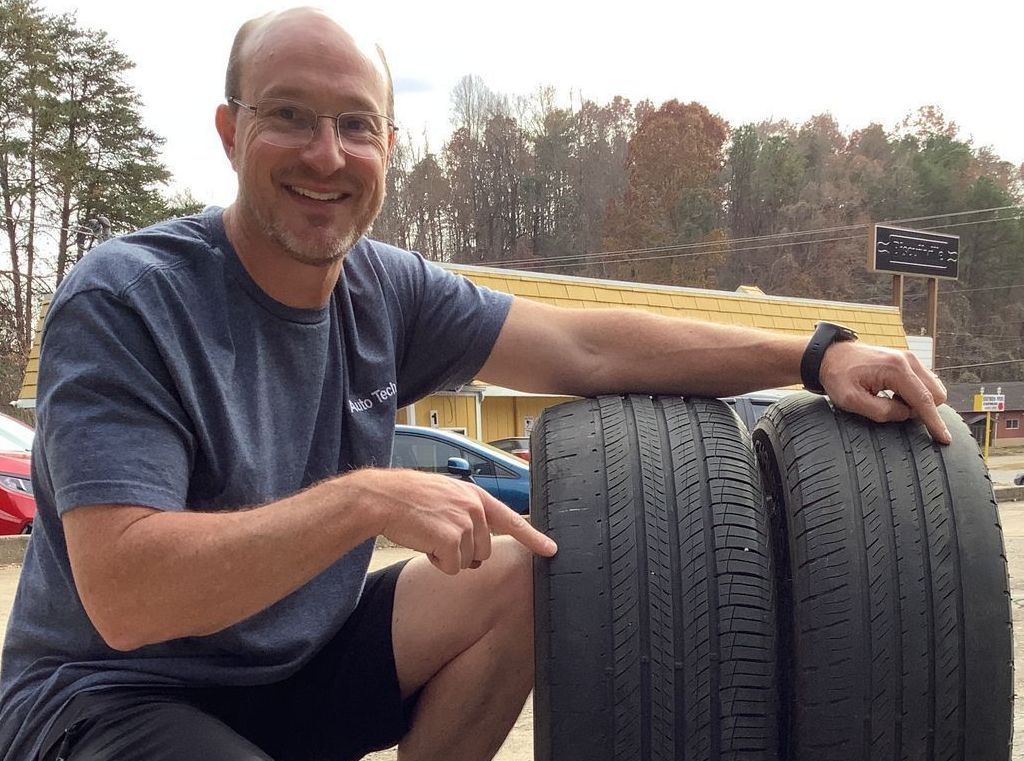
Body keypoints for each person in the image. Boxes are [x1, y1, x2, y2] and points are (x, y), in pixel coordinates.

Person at [0, 7, 949, 761]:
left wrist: (814, 355)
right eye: (287, 115)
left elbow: (584, 347)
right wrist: (366, 500)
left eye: (355, 125)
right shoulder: (129, 299)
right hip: (111, 692)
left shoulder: (386, 290)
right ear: (229, 130)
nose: (326, 154)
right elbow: (127, 596)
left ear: (388, 145)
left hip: (294, 672)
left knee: (522, 569)